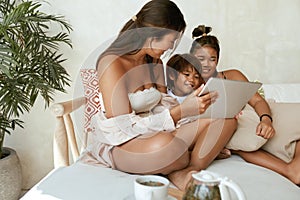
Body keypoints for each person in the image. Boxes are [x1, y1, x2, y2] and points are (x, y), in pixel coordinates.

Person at [81, 0, 237, 191]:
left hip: (157, 132)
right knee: (169, 146)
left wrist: (193, 111)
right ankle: (179, 164)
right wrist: (181, 115)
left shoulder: (154, 62)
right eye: (171, 40)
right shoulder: (111, 63)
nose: (170, 47)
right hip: (121, 143)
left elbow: (165, 107)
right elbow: (122, 128)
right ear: (153, 33)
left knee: (225, 121)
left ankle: (188, 171)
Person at [190, 24, 300, 185]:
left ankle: (294, 167)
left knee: (292, 126)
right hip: (231, 126)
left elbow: (257, 101)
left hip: (257, 115)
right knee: (238, 138)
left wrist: (266, 119)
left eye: (211, 59)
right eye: (201, 59)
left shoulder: (233, 75)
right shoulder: (190, 84)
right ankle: (288, 170)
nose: (206, 64)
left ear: (217, 60)